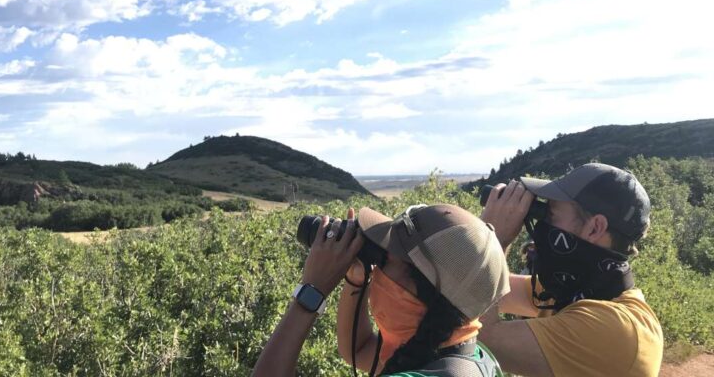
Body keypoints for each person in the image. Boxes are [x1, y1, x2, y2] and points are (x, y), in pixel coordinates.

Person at [253, 204, 510, 376]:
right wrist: (357, 277)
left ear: (419, 292)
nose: (377, 268)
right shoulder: (471, 354)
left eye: (386, 259)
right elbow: (359, 350)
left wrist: (311, 293)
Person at [477, 163, 664, 377]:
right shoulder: (580, 292)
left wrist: (493, 239)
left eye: (551, 215)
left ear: (595, 228)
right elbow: (497, 290)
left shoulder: (615, 328)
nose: (541, 224)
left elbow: (479, 337)